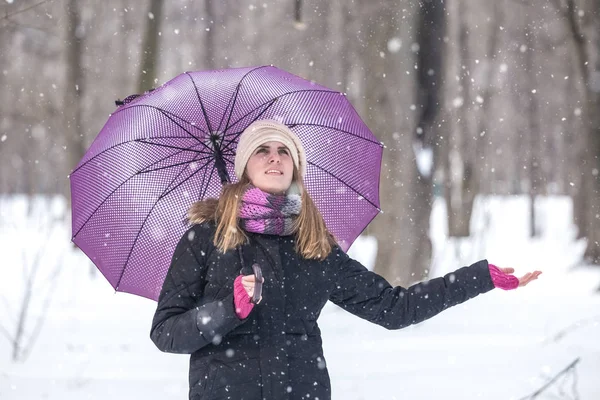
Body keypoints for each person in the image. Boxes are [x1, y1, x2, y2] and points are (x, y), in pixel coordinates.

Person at [150, 119, 542, 400]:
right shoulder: (207, 236)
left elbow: (394, 308)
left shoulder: (314, 246)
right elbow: (166, 331)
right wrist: (226, 311)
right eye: (262, 150)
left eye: (284, 150)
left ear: (295, 167)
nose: (274, 158)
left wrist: (478, 278)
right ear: (243, 168)